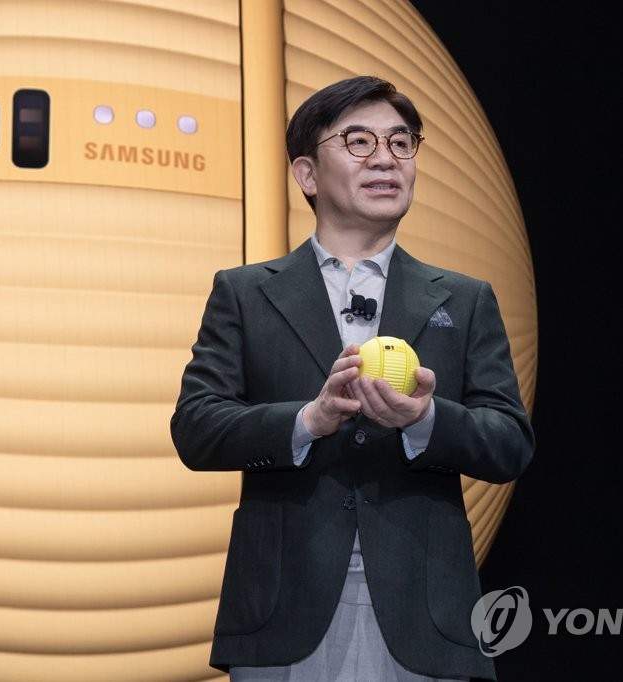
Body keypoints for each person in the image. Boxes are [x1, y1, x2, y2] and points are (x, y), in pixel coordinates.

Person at [171, 75, 534, 681]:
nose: (386, 158)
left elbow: (509, 443)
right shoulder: (244, 293)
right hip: (283, 608)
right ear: (307, 174)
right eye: (359, 142)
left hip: (425, 614)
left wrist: (425, 420)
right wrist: (308, 420)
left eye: (401, 142)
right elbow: (197, 429)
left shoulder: (466, 299)